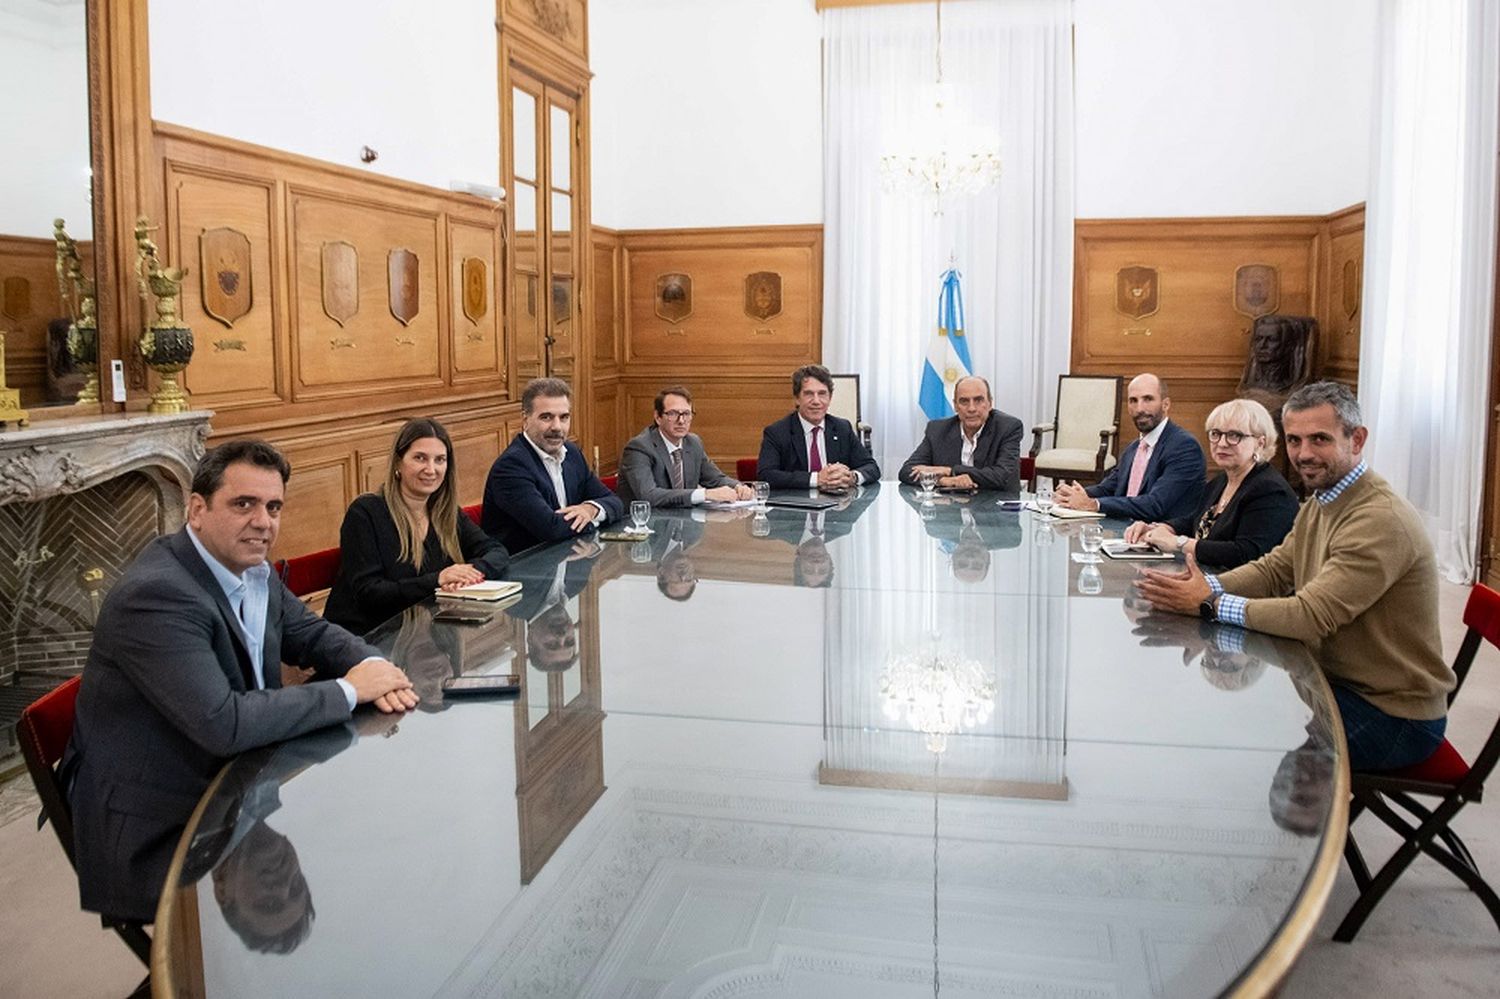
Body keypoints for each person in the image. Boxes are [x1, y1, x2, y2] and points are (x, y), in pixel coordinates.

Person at [61, 440, 418, 924]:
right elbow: (223, 723)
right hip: (165, 824)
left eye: (273, 507)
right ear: (197, 509)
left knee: (378, 840)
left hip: (236, 781)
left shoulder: (252, 569)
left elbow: (311, 632)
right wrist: (353, 689)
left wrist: (377, 666)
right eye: (243, 504)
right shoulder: (157, 595)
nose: (263, 521)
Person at [1135, 381, 1456, 771]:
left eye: (1319, 439)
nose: (1304, 454)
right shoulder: (1323, 500)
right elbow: (1275, 569)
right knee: (1215, 723)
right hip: (1334, 683)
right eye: (1295, 440)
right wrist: (1206, 586)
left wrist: (1208, 603)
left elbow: (1309, 616)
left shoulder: (1380, 518)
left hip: (1391, 713)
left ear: (1357, 439)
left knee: (1246, 752)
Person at [324, 418, 510, 635]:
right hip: (366, 638)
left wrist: (469, 574)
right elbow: (370, 593)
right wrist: (438, 580)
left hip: (422, 633)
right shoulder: (365, 512)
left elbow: (496, 551)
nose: (431, 469)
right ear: (398, 463)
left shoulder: (445, 512)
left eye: (440, 460)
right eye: (420, 458)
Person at [1123, 398, 1298, 569]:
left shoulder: (1270, 490)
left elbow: (1245, 554)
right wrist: (1157, 529)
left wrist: (1179, 543)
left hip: (1245, 594)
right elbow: (1195, 521)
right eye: (1216, 434)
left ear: (1260, 443)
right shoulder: (1220, 481)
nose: (1221, 443)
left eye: (1234, 435)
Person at [482, 377, 625, 553]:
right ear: (525, 419)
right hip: (525, 571)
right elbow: (551, 529)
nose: (557, 427)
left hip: (568, 563)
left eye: (564, 417)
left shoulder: (572, 454)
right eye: (546, 417)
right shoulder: (511, 467)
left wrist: (590, 509)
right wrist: (593, 520)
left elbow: (615, 502)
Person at [1055, 373, 1205, 522]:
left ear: (1166, 404)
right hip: (1125, 534)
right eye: (1133, 400)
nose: (1139, 408)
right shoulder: (1134, 448)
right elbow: (1108, 488)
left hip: (1164, 538)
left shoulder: (1184, 447)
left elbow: (1155, 504)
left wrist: (1094, 504)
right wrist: (1073, 495)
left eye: (1148, 399)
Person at [617, 385, 754, 507]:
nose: (681, 421)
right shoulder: (639, 448)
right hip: (643, 528)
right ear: (658, 417)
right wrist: (704, 494)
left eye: (686, 414)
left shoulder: (693, 443)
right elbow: (649, 496)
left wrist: (738, 486)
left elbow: (715, 478)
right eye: (673, 413)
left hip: (684, 525)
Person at [758, 364, 880, 491]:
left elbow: (871, 467)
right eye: (809, 394)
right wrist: (817, 479)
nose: (816, 401)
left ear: (830, 398)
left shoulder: (842, 428)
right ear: (797, 398)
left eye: (822, 394)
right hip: (796, 504)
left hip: (838, 506)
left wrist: (851, 477)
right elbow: (766, 475)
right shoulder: (777, 432)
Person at [898, 375, 1024, 492]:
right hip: (952, 510)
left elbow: (1001, 476)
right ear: (955, 406)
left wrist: (950, 470)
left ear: (990, 403)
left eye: (978, 400)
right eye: (964, 401)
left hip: (997, 510)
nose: (971, 408)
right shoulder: (938, 430)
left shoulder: (1008, 427)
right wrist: (944, 480)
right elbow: (907, 471)